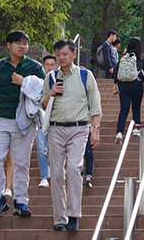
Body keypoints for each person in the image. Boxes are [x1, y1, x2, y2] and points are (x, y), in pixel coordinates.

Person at [42, 39, 101, 230]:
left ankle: (73, 215)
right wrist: (51, 93)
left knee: (74, 168)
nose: (61, 58)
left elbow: (95, 104)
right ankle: (60, 218)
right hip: (55, 129)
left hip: (79, 128)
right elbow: (42, 105)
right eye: (58, 54)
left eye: (65, 54)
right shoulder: (50, 77)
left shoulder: (86, 75)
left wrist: (96, 129)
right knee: (57, 173)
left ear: (74, 54)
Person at [0, 30, 46, 217]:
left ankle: (20, 201)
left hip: (25, 121)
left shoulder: (35, 67)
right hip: (1, 118)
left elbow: (44, 93)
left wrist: (24, 82)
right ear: (8, 45)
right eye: (18, 43)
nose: (22, 46)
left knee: (21, 162)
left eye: (25, 43)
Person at [113, 38, 144, 144]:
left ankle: (119, 133)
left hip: (123, 85)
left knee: (123, 110)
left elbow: (117, 72)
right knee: (136, 108)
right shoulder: (141, 58)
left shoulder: (123, 57)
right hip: (137, 84)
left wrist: (115, 85)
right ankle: (136, 129)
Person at [36, 55, 58, 188]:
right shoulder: (38, 81)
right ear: (43, 66)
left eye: (52, 64)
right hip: (39, 120)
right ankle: (44, 177)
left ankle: (52, 168)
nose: (49, 67)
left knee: (54, 149)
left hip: (55, 120)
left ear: (56, 66)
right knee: (41, 150)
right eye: (47, 65)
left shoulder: (59, 80)